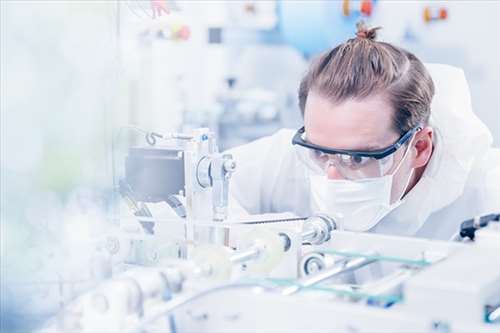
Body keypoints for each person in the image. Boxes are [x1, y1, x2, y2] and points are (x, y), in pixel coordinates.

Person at [227, 22, 500, 240]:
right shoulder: (299, 155)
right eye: (321, 155)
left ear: (419, 148)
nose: (331, 178)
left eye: (358, 159)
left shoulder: (486, 194)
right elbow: (198, 195)